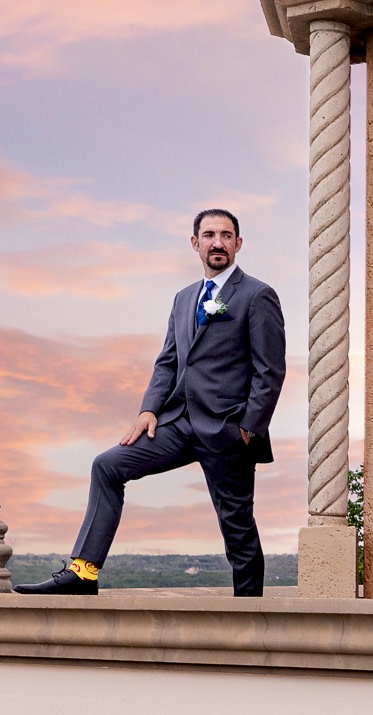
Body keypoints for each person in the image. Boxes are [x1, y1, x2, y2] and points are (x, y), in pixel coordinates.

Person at [15, 209, 286, 598]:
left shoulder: (257, 295)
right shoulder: (182, 299)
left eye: (226, 236)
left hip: (227, 430)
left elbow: (270, 370)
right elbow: (169, 361)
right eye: (209, 235)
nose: (218, 243)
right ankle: (83, 572)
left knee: (237, 528)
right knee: (107, 466)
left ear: (238, 244)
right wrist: (148, 410)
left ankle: (251, 615)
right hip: (176, 423)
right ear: (195, 243)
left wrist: (247, 429)